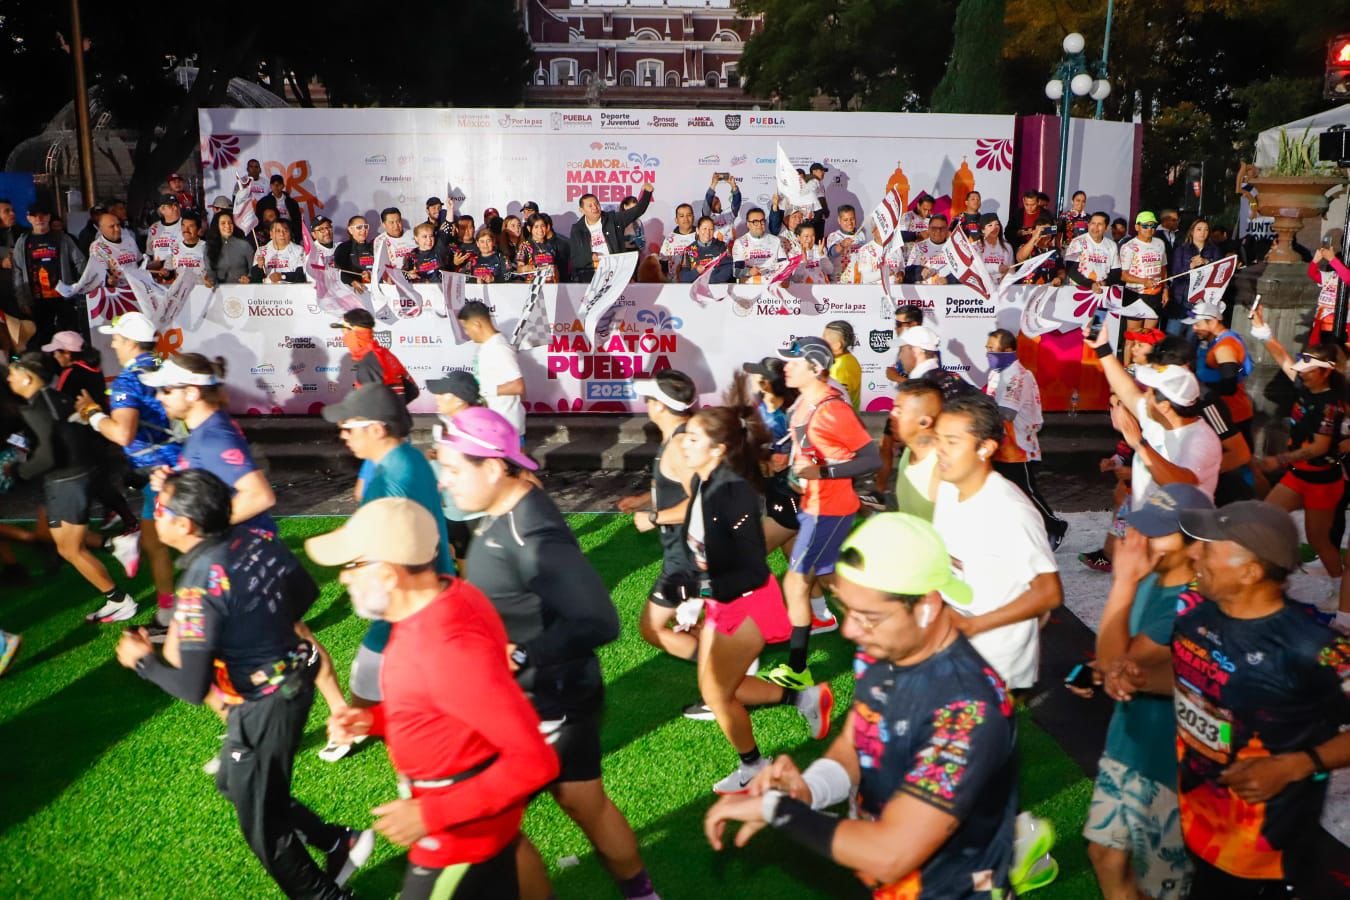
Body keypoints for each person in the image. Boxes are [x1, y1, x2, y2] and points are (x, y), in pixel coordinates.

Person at [704, 513, 1020, 900]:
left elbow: (891, 855)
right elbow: (860, 738)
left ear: (926, 606)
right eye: (847, 609)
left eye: (868, 617)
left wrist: (778, 810)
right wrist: (811, 789)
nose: (850, 630)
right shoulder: (884, 648)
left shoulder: (967, 711)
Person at [436, 407, 659, 900]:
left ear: (492, 467)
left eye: (452, 470)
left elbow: (600, 620)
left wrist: (518, 655)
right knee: (582, 803)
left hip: (546, 702)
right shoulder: (507, 508)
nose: (444, 482)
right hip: (541, 697)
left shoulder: (532, 536)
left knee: (494, 821)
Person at [117, 469, 371, 899]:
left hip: (266, 703)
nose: (155, 515)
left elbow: (191, 687)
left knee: (265, 827)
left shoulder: (198, 587)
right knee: (236, 784)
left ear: (186, 525)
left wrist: (143, 661)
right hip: (291, 679)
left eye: (161, 509)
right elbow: (305, 594)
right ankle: (336, 842)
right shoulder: (255, 539)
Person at [309, 498, 560, 899]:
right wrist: (373, 720)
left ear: (388, 574)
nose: (343, 578)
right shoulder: (449, 597)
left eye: (353, 565)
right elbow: (439, 702)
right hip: (478, 819)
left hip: (458, 837)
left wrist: (430, 814)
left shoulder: (446, 649)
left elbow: (534, 761)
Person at [1107, 501, 1350, 898]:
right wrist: (1139, 679)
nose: (1193, 555)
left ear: (1250, 571)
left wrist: (1299, 764)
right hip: (1197, 827)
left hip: (1264, 857)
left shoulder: (1312, 647)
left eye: (1208, 549)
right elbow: (1202, 684)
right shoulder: (1194, 617)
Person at [679, 403, 834, 794]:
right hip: (724, 599)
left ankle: (753, 767)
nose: (683, 444)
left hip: (743, 602)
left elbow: (747, 564)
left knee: (717, 694)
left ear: (718, 449)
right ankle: (803, 698)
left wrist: (700, 594)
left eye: (693, 438)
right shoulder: (706, 483)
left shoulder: (731, 494)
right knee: (716, 689)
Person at [1084, 484, 1212, 900]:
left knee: (1161, 883)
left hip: (1166, 759)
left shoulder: (1188, 602)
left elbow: (1117, 660)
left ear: (1194, 544)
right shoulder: (1151, 581)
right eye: (1143, 526)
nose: (1141, 539)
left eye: (1159, 531)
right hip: (1129, 742)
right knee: (1106, 855)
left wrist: (1122, 581)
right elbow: (1116, 661)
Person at [320, 383, 454, 759]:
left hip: (409, 592)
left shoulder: (394, 477)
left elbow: (398, 544)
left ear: (377, 429)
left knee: (372, 662)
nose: (343, 435)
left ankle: (355, 726)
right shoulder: (408, 459)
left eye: (349, 427)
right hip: (428, 587)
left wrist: (363, 571)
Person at [761, 336, 880, 689]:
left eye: (794, 363)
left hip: (829, 507)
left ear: (815, 368)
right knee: (829, 579)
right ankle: (886, 636)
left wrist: (822, 472)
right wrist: (793, 466)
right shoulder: (802, 403)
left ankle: (798, 669)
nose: (786, 367)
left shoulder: (832, 409)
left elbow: (871, 458)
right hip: (810, 503)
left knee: (796, 581)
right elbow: (811, 450)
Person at [932, 392, 1063, 691]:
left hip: (994, 662)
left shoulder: (1008, 509)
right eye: (937, 439)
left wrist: (973, 625)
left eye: (952, 441)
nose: (939, 450)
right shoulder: (948, 489)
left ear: (985, 448)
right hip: (954, 648)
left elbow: (1049, 593)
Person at [7, 353, 137, 622]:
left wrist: (18, 471)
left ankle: (120, 601)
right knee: (61, 540)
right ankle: (114, 545)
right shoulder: (58, 399)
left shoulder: (38, 407)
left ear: (28, 377)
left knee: (70, 549)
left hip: (67, 481)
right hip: (71, 479)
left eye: (13, 373)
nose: (9, 378)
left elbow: (48, 456)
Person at [75, 312, 181, 628]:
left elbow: (123, 434)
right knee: (154, 543)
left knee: (189, 544)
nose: (113, 344)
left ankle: (192, 615)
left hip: (161, 474)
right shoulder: (166, 365)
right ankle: (168, 613)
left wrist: (92, 414)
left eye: (117, 339)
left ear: (132, 342)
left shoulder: (128, 380)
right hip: (178, 464)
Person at [1248, 307, 1346, 606]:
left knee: (1319, 539)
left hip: (1322, 481)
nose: (1302, 372)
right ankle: (1271, 574)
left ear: (1326, 372)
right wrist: (1262, 329)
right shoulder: (1306, 386)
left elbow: (1319, 447)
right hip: (1299, 475)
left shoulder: (1331, 405)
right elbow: (1282, 358)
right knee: (1265, 517)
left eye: (1309, 369)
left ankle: (1340, 588)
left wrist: (1279, 460)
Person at [141, 354, 277, 535]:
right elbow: (213, 476)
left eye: (166, 390)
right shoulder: (206, 429)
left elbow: (260, 496)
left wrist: (200, 530)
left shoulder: (213, 438)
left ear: (192, 393)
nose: (158, 397)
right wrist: (174, 482)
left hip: (239, 545)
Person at [617, 371, 701, 663]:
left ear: (661, 406)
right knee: (696, 623)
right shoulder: (678, 437)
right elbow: (679, 486)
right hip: (685, 551)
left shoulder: (679, 446)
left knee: (652, 628)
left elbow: (702, 502)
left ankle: (726, 674)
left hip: (687, 555)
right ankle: (728, 669)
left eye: (650, 399)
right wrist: (644, 499)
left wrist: (654, 517)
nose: (646, 403)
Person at [1088, 327, 1221, 508]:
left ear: (1164, 406)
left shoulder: (1200, 439)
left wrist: (1139, 444)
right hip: (1143, 518)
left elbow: (1181, 485)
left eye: (1150, 392)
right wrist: (1102, 348)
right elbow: (1126, 389)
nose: (1144, 396)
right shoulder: (1157, 418)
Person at [984, 329, 1068, 548]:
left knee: (1025, 492)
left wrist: (978, 405)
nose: (987, 352)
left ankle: (1054, 526)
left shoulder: (1018, 376)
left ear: (1008, 350)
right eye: (987, 348)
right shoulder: (997, 374)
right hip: (1000, 444)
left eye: (992, 348)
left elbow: (1007, 413)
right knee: (1001, 491)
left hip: (1017, 447)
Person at [425, 371, 486, 568]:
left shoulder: (474, 426)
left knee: (472, 559)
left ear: (459, 399)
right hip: (453, 507)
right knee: (463, 555)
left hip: (469, 511)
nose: (436, 397)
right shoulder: (450, 423)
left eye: (442, 393)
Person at [12, 200, 88, 345]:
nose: (39, 219)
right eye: (35, 215)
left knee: (69, 335)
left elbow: (80, 262)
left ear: (49, 217)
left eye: (43, 215)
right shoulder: (23, 242)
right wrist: (22, 299)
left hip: (63, 297)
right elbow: (18, 271)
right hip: (37, 299)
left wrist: (82, 286)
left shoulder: (62, 238)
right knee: (43, 338)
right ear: (28, 218)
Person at [1188, 300, 1253, 446]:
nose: (1194, 328)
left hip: (1231, 414)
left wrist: (1198, 388)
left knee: (1238, 457)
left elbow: (1229, 387)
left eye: (1197, 324)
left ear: (1212, 322)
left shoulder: (1225, 347)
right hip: (1217, 412)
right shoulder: (1211, 340)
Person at [456, 301, 525, 437]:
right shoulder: (488, 346)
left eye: (466, 327)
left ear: (477, 324)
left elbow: (518, 386)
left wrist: (483, 390)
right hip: (494, 425)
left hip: (505, 428)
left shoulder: (499, 348)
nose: (466, 333)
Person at [566, 186, 654, 283]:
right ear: (582, 210)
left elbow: (637, 210)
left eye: (596, 203)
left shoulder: (613, 219)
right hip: (590, 275)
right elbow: (575, 258)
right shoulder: (577, 229)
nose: (595, 207)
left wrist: (647, 193)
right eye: (590, 206)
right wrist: (590, 257)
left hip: (615, 272)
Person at [330, 308, 417, 402]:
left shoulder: (368, 361)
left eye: (343, 331)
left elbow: (368, 405)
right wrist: (397, 407)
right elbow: (413, 390)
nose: (343, 336)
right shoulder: (383, 353)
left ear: (353, 331)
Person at [887, 380, 943, 520]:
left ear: (924, 422)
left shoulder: (943, 467)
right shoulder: (909, 451)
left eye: (899, 411)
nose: (891, 415)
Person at [1119, 211, 1169, 348]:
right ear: (1137, 227)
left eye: (1153, 226)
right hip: (1135, 294)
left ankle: (1142, 361)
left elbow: (1163, 268)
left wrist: (1165, 289)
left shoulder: (1160, 243)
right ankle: (1127, 362)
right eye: (1145, 226)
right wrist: (1143, 281)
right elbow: (1123, 275)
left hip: (1155, 294)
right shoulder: (1129, 246)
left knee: (1148, 338)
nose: (1150, 229)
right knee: (1132, 337)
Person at [1166, 217, 1221, 333]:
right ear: (1192, 231)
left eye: (1206, 230)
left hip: (1202, 301)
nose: (1203, 232)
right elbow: (1175, 274)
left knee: (1194, 337)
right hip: (1181, 300)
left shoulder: (1214, 250)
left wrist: (1207, 262)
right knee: (1172, 335)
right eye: (1199, 229)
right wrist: (1190, 267)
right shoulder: (1181, 250)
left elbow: (1220, 273)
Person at [1064, 212, 1122, 297]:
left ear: (1106, 228)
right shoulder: (1077, 242)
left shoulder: (1112, 245)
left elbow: (1116, 272)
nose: (1095, 227)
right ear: (1088, 225)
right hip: (1078, 291)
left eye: (1100, 224)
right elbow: (1071, 269)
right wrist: (1091, 284)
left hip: (1101, 291)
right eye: (1093, 223)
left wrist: (1105, 282)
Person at [1306, 244, 1350, 346]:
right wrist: (1315, 261)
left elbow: (1347, 278)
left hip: (1343, 326)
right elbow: (1312, 273)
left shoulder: (1347, 276)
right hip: (1322, 323)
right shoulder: (1331, 275)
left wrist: (1332, 259)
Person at [731, 208, 788, 284]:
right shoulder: (740, 242)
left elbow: (784, 265)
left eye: (762, 221)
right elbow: (736, 272)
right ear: (748, 224)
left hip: (772, 283)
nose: (760, 225)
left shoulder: (776, 240)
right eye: (755, 222)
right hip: (750, 285)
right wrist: (749, 272)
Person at [675, 216, 731, 284]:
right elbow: (683, 278)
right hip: (696, 288)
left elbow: (727, 270)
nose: (708, 232)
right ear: (697, 230)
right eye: (704, 229)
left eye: (711, 229)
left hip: (716, 287)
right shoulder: (689, 250)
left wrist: (709, 280)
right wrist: (696, 272)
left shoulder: (721, 247)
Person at [904, 214, 955, 285]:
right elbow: (907, 272)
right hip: (924, 289)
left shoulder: (954, 248)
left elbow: (964, 273)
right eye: (934, 228)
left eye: (942, 228)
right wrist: (920, 271)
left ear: (947, 229)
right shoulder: (919, 247)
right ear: (929, 229)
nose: (938, 231)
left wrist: (948, 280)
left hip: (948, 290)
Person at [206, 210, 253, 285]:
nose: (227, 226)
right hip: (218, 290)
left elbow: (253, 271)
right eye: (223, 223)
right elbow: (209, 272)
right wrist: (209, 280)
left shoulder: (245, 245)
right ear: (217, 226)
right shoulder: (209, 247)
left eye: (230, 223)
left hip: (242, 289)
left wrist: (249, 279)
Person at [822, 321, 861, 409]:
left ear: (837, 345)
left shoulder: (841, 367)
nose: (821, 342)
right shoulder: (848, 359)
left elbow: (838, 403)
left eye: (824, 339)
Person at [515, 214, 563, 283]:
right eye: (536, 227)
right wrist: (531, 268)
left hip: (550, 285)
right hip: (533, 284)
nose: (540, 230)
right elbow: (519, 269)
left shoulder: (551, 245)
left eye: (542, 226)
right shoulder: (524, 246)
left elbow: (557, 268)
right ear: (529, 228)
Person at [334, 217, 375, 292]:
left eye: (366, 227)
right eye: (359, 227)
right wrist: (352, 282)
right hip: (353, 291)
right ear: (350, 230)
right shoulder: (343, 248)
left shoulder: (374, 246)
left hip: (375, 289)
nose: (363, 230)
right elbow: (339, 271)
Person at [254, 175, 301, 241]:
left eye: (279, 184)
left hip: (288, 232)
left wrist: (298, 236)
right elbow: (259, 220)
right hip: (270, 234)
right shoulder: (263, 202)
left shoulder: (292, 202)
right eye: (273, 184)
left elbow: (297, 221)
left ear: (283, 186)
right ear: (270, 186)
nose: (276, 187)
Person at [658, 203, 698, 279]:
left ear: (693, 217)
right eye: (682, 216)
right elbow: (663, 263)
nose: (686, 219)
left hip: (695, 280)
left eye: (689, 215)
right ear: (676, 220)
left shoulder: (701, 235)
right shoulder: (669, 239)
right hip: (674, 282)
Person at [145, 195, 183, 271]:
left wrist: (164, 264)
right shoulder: (154, 227)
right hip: (158, 272)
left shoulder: (185, 224)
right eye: (171, 206)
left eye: (177, 205)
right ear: (162, 210)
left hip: (179, 270)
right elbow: (149, 253)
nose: (176, 208)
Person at [825, 205, 867, 273]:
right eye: (845, 220)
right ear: (839, 220)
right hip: (840, 275)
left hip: (858, 273)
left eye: (852, 219)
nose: (849, 223)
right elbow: (833, 253)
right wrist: (842, 245)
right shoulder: (834, 236)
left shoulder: (860, 234)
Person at [374, 207, 417, 273]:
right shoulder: (380, 240)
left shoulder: (413, 234)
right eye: (392, 222)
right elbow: (380, 266)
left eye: (398, 221)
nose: (396, 226)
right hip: (395, 276)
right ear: (384, 225)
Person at [703, 174, 742, 244]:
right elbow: (707, 201)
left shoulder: (729, 212)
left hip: (731, 248)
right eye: (713, 199)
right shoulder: (707, 217)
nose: (715, 200)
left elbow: (737, 202)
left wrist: (733, 186)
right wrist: (714, 183)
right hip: (714, 248)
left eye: (717, 199)